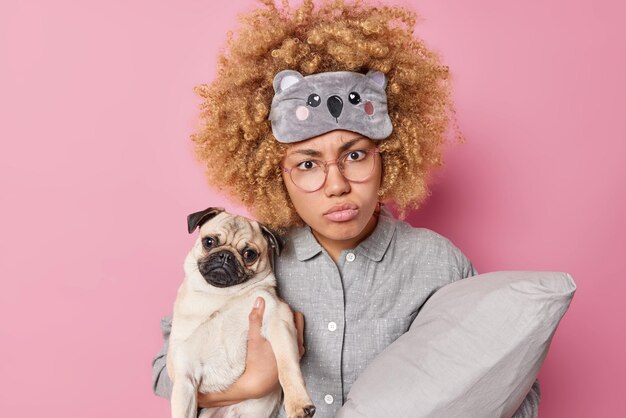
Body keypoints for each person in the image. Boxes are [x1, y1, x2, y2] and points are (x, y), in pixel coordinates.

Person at [152, 1, 541, 417]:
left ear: (387, 156)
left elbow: (512, 388)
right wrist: (255, 382)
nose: (336, 185)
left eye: (355, 156)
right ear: (274, 173)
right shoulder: (257, 256)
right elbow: (164, 372)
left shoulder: (439, 264)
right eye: (307, 164)